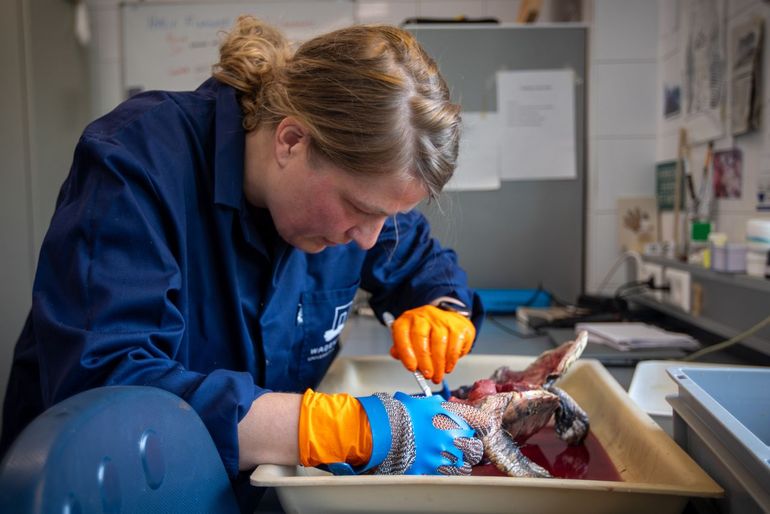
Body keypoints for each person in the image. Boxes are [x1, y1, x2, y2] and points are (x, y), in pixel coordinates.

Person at [0, 16, 489, 510]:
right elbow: (112, 391)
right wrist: (339, 428)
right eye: (362, 210)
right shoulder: (135, 166)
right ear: (292, 141)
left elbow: (420, 262)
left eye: (391, 216)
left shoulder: (353, 209)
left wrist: (443, 307)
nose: (368, 240)